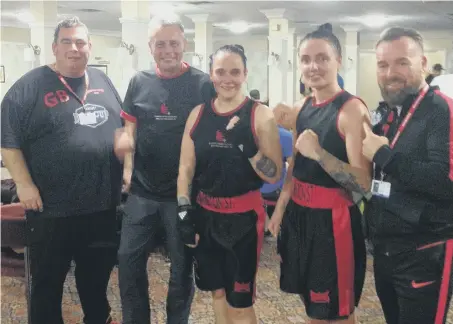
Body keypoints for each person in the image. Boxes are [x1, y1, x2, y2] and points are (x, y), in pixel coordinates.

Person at [1, 16, 122, 324]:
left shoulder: (103, 81)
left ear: (90, 47)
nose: (74, 48)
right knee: (47, 284)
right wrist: (25, 185)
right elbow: (8, 140)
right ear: (54, 47)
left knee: (95, 279)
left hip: (101, 206)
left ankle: (98, 319)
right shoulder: (29, 87)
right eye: (66, 42)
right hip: (50, 208)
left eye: (80, 42)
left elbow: (122, 129)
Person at [114, 15, 215, 324]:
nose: (168, 50)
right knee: (127, 261)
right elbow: (130, 126)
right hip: (142, 194)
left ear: (185, 44)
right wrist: (125, 151)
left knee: (181, 270)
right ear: (150, 47)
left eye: (174, 43)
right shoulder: (138, 81)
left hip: (182, 196)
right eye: (161, 44)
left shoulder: (202, 84)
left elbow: (212, 131)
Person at [269, 26, 371, 324]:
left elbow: (363, 183)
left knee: (338, 312)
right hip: (300, 217)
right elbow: (295, 167)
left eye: (322, 58)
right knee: (312, 306)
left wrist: (320, 154)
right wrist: (281, 206)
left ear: (338, 60)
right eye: (306, 59)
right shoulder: (302, 107)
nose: (313, 66)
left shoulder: (352, 110)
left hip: (334, 224)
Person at [176, 44, 282, 324]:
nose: (228, 79)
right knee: (217, 293)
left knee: (240, 302)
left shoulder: (260, 115)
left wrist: (250, 150)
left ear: (246, 74)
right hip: (206, 215)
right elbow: (185, 168)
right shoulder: (198, 114)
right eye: (221, 72)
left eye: (235, 72)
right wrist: (184, 211)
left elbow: (273, 175)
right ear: (211, 74)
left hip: (244, 221)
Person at [362, 26, 453, 324]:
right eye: (383, 64)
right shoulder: (389, 111)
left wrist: (385, 157)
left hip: (426, 252)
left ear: (423, 64)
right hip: (387, 250)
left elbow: (445, 182)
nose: (391, 73)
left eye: (402, 62)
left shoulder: (441, 110)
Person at [261, 111, 293, 237]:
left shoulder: (255, 131)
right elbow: (293, 167)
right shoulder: (286, 135)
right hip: (274, 189)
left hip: (253, 188)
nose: (292, 124)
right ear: (283, 115)